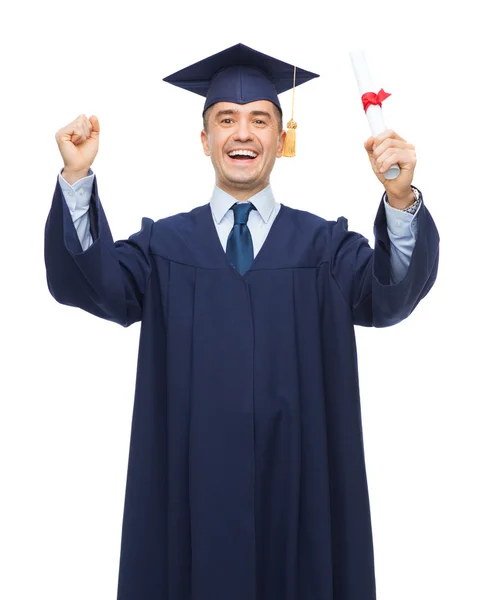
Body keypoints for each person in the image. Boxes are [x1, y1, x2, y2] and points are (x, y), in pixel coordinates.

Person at [44, 43, 439, 600]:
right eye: (225, 120)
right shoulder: (163, 248)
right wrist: (77, 179)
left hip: (299, 500)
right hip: (191, 499)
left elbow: (390, 294)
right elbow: (92, 281)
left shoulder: (325, 248)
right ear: (204, 140)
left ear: (282, 138)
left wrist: (400, 199)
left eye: (260, 119)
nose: (243, 133)